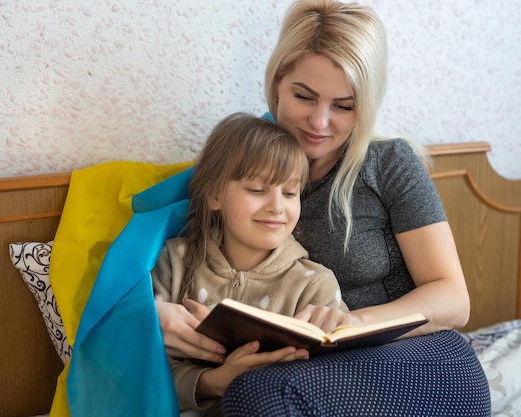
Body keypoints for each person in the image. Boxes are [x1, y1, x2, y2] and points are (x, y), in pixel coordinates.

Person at [155, 1, 492, 415]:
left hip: (422, 360)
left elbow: (455, 301)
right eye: (303, 96)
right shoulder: (240, 161)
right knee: (251, 390)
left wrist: (357, 323)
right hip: (307, 372)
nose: (319, 121)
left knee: (256, 393)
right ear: (277, 82)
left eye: (344, 106)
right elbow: (157, 251)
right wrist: (152, 315)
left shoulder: (389, 163)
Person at [151, 112, 348, 415]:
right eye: (257, 190)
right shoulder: (173, 262)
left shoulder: (313, 284)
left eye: (290, 192)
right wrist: (214, 382)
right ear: (215, 194)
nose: (277, 206)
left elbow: (337, 383)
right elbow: (141, 374)